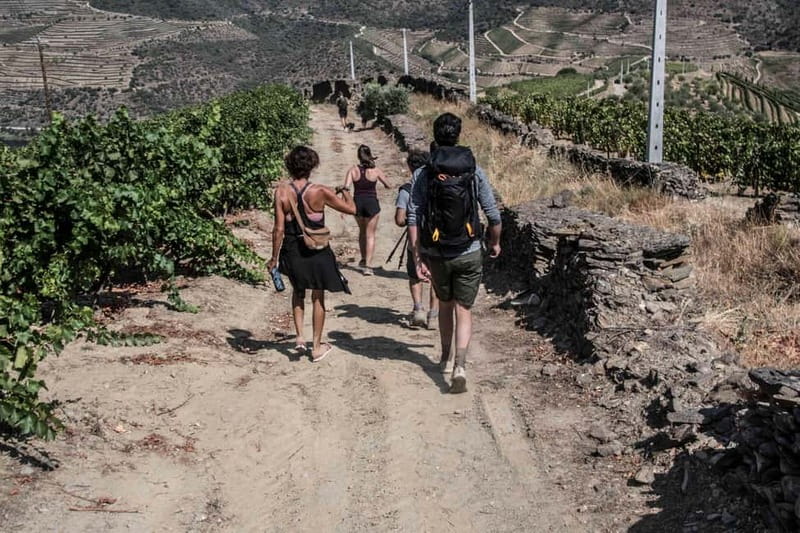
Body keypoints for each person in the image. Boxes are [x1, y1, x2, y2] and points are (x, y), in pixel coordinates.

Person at [407, 113, 502, 393]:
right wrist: (495, 242)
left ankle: (445, 358)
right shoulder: (473, 170)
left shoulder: (424, 172)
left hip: (437, 252)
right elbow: (493, 214)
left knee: (445, 306)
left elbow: (414, 214)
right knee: (465, 309)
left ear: (435, 136)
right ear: (459, 135)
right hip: (469, 248)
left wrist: (417, 255)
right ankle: (461, 365)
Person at [268, 146, 356, 362]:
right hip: (317, 249)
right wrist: (345, 191)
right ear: (312, 166)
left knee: (298, 291)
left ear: (289, 165)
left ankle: (299, 338)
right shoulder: (321, 191)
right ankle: (316, 346)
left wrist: (274, 257)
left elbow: (278, 229)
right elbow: (351, 209)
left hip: (292, 248)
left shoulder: (281, 192)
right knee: (318, 295)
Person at [395, 149, 439, 328]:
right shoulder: (437, 186)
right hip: (436, 239)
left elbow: (399, 220)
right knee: (435, 277)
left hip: (415, 240)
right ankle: (434, 314)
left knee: (414, 275)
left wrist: (411, 220)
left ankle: (418, 309)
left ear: (410, 167)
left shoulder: (406, 190)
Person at [342, 144, 391, 275]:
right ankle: (368, 267)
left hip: (357, 203)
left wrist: (344, 206)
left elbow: (346, 188)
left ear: (358, 157)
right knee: (371, 235)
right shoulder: (376, 170)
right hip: (372, 204)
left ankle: (363, 259)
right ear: (369, 155)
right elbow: (388, 185)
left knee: (362, 231)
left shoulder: (353, 170)